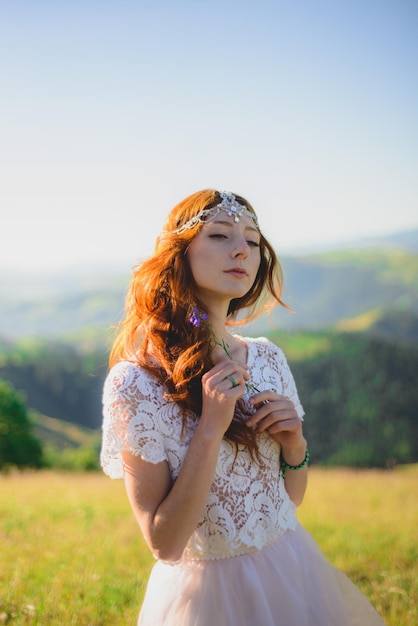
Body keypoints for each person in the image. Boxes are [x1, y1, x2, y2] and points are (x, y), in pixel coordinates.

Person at [101, 189, 385, 625]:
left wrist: (295, 445)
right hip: (207, 599)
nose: (240, 250)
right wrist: (211, 428)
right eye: (219, 235)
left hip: (292, 569)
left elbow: (287, 503)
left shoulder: (268, 358)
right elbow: (165, 544)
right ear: (180, 254)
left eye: (252, 240)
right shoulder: (137, 381)